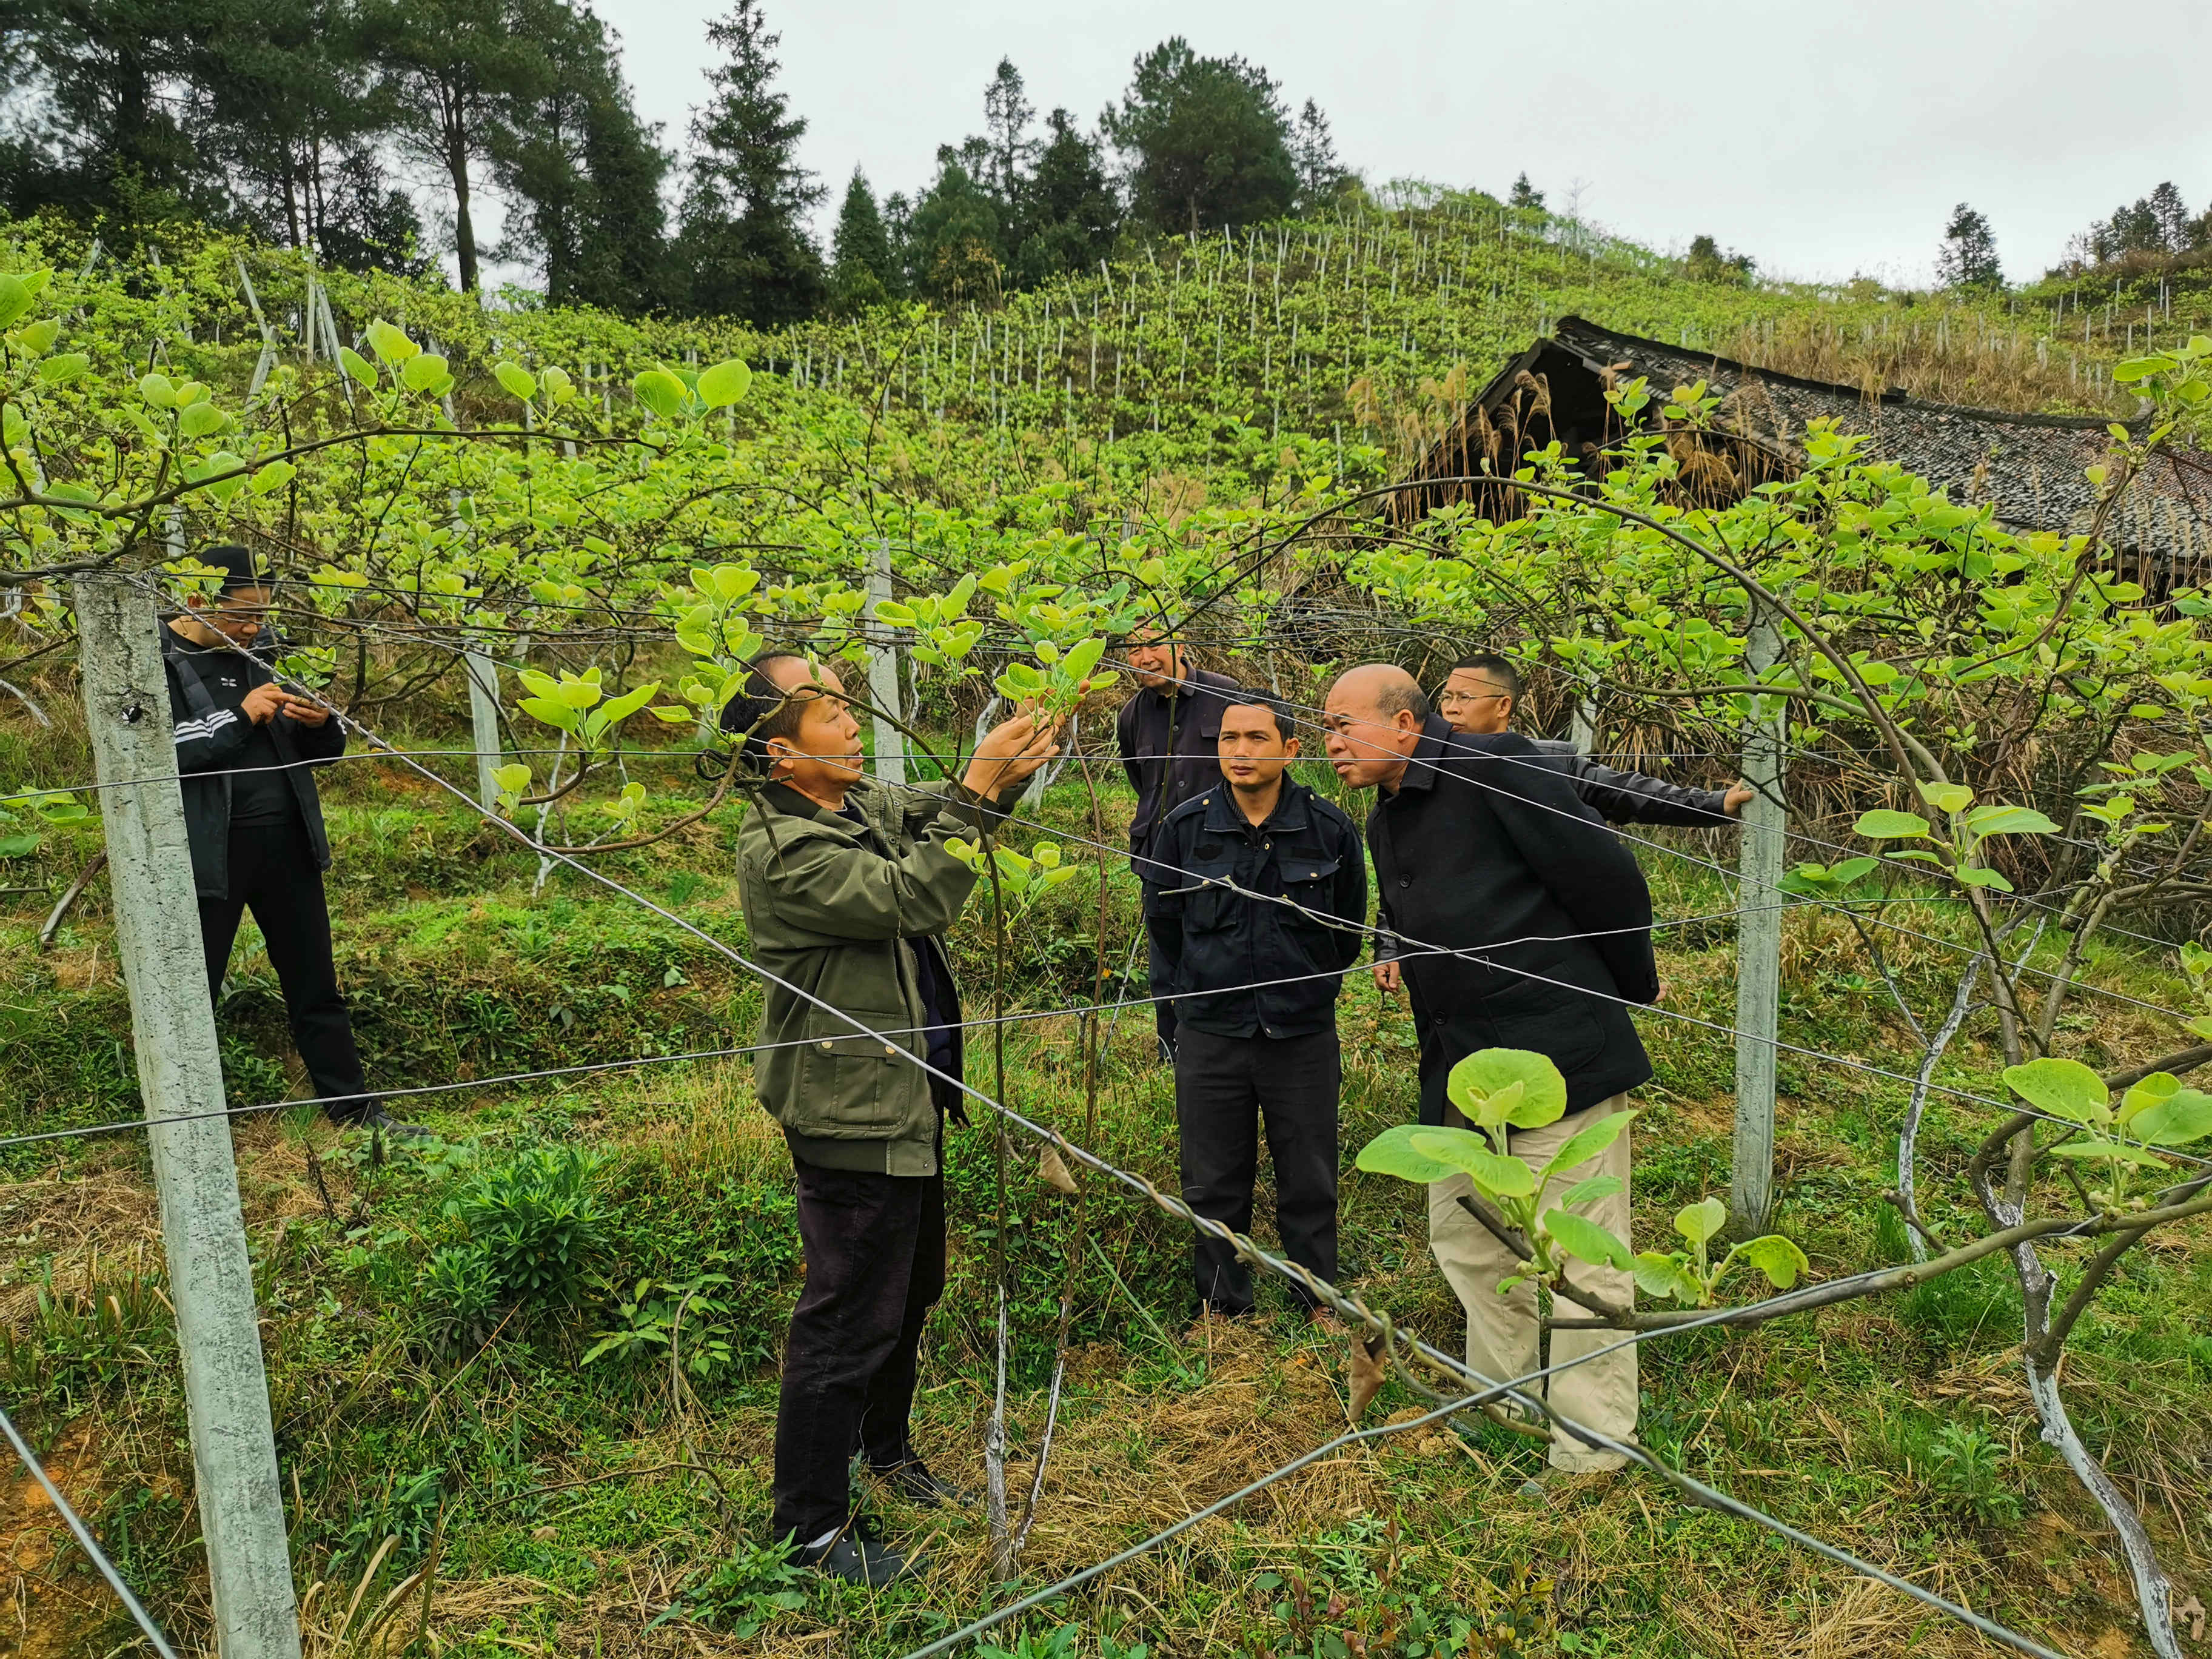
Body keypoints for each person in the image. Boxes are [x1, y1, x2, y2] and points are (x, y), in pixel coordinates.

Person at [731, 652, 1067, 1589]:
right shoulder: (784, 848)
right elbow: (911, 892)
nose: (852, 718)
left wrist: (1003, 768)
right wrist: (975, 788)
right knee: (845, 1320)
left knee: (906, 1295)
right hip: (852, 1111)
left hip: (904, 1099)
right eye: (828, 710)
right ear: (779, 752)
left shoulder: (854, 804)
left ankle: (887, 1456)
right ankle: (808, 1529)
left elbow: (939, 808)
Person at [1322, 663, 1657, 1478]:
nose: (1328, 743)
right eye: (1326, 728)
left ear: (1405, 724)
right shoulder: (1386, 815)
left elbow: (1609, 880)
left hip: (1558, 1056)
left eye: (1343, 725)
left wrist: (1614, 989)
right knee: (1472, 1242)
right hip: (1462, 1069)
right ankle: (1504, 1401)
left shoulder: (1498, 768)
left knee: (1581, 1253)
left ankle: (1591, 1447)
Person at [163, 545, 411, 1138]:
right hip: (206, 854)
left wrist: (324, 725)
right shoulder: (156, 657)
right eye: (243, 615)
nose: (254, 628)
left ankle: (356, 1114)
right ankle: (187, 1127)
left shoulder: (265, 652)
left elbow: (320, 752)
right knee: (195, 994)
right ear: (197, 600)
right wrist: (240, 716)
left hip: (288, 844)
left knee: (316, 987)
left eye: (263, 614)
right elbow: (159, 753)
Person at [1142, 693, 1366, 1323]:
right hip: (1213, 1033)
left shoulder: (1328, 827)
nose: (1240, 752)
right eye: (1228, 739)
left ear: (1292, 749)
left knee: (1310, 1173)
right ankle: (1223, 1307)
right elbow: (1165, 928)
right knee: (1213, 1179)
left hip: (1300, 1034)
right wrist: (1184, 1014)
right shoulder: (1185, 828)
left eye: (1256, 739)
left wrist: (1305, 992)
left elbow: (1345, 932)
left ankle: (1316, 1297)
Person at [1114, 622, 1242, 1057]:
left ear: (1181, 645)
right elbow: (1142, 781)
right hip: (1159, 857)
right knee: (1166, 961)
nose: (1144, 656)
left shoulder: (1227, 695)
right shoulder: (1131, 714)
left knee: (1224, 950)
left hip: (1222, 853)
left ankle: (1223, 1043)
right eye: (1133, 649)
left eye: (1153, 645)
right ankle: (1173, 1048)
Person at [1439, 654, 1754, 825]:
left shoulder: (1547, 763)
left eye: (1464, 698)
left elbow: (1625, 792)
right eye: (1446, 697)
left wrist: (1714, 803)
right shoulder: (1425, 762)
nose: (1451, 709)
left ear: (1503, 705)